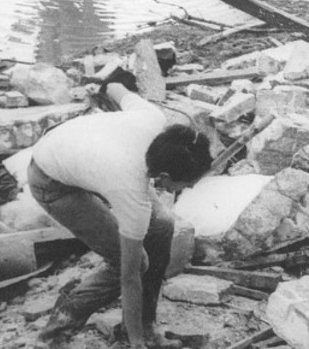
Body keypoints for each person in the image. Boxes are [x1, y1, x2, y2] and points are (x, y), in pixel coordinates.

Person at [30, 82, 212, 348]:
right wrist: (135, 346)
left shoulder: (153, 119)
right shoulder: (129, 187)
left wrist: (103, 85)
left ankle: (143, 327)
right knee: (133, 263)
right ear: (163, 177)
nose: (190, 188)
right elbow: (129, 276)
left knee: (162, 226)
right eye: (186, 184)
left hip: (84, 153)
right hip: (51, 180)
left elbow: (115, 87)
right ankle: (54, 334)